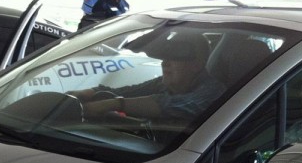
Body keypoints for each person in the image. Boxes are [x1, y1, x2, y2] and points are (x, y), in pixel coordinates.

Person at [79, 31, 225, 121]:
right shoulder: (163, 84)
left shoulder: (213, 93)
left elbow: (171, 106)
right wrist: (80, 95)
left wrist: (112, 104)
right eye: (165, 56)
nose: (165, 63)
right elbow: (125, 92)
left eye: (176, 56)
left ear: (197, 64)